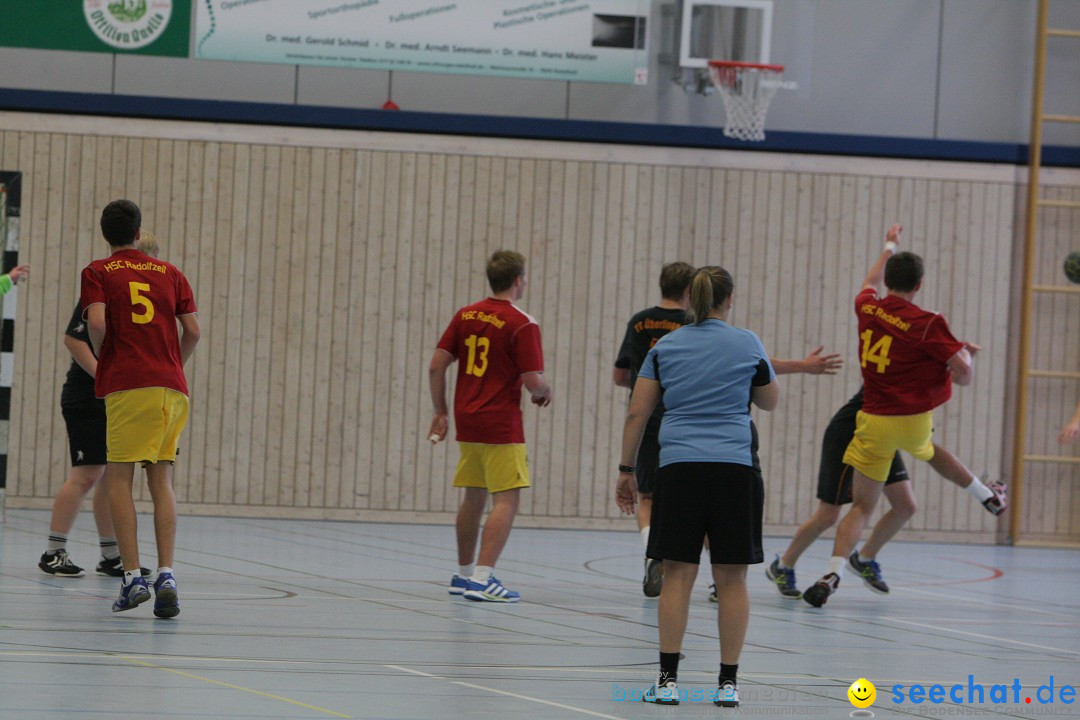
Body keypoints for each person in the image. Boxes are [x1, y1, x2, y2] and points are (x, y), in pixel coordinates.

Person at [614, 263, 843, 598]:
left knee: (653, 502)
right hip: (730, 453)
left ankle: (655, 554)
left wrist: (625, 468)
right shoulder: (735, 338)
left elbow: (626, 386)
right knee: (719, 529)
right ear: (725, 298)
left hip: (667, 433)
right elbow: (758, 370)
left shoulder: (650, 329)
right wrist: (802, 366)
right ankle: (721, 586)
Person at [802, 224, 990, 608]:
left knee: (864, 507)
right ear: (919, 286)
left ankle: (835, 569)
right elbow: (964, 374)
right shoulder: (927, 323)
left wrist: (889, 245)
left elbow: (869, 280)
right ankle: (987, 494)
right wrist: (968, 353)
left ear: (888, 280)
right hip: (910, 417)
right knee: (931, 452)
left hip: (872, 418)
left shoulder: (867, 305)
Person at [615, 266, 779, 708]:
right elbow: (769, 400)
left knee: (678, 574)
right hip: (734, 469)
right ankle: (727, 684)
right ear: (729, 299)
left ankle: (667, 683)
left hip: (679, 468)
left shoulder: (666, 346)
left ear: (692, 299)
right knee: (731, 577)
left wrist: (626, 469)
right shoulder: (747, 342)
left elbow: (638, 413)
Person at [765, 387, 1008, 598]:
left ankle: (864, 559)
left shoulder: (911, 356)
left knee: (905, 506)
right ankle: (784, 565)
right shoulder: (897, 357)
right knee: (829, 514)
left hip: (883, 435)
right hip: (852, 432)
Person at [81, 200, 200, 616]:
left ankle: (132, 578)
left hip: (129, 384)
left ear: (105, 234)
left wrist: (107, 360)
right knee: (161, 480)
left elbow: (96, 324)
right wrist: (171, 367)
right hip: (172, 388)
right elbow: (193, 331)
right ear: (138, 232)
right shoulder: (171, 272)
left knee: (117, 479)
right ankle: (166, 572)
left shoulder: (98, 271)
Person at [428, 250, 552, 603]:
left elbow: (437, 365)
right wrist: (545, 391)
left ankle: (463, 574)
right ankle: (483, 578)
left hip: (467, 418)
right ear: (517, 280)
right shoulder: (522, 323)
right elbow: (533, 380)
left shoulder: (466, 314)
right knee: (506, 499)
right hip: (500, 422)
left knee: (473, 495)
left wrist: (440, 410)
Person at [39, 233, 161, 578]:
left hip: (115, 397)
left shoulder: (134, 299)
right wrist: (103, 376)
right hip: (88, 395)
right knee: (87, 473)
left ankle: (111, 555)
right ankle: (54, 550)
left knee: (110, 475)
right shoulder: (104, 287)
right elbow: (74, 339)